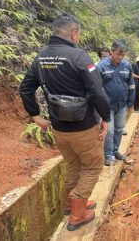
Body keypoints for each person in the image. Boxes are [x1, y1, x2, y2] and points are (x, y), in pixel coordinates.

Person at [19, 13, 111, 231]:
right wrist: (105, 118)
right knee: (92, 167)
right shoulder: (80, 57)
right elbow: (97, 92)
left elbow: (25, 89)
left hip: (59, 129)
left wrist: (36, 116)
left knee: (73, 166)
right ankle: (78, 216)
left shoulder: (41, 57)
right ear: (74, 33)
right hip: (84, 128)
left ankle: (72, 205)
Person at [96, 40, 135, 165]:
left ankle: (115, 151)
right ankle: (108, 155)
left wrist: (130, 102)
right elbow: (97, 88)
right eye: (118, 54)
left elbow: (131, 85)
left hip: (121, 105)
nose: (120, 57)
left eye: (123, 55)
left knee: (119, 129)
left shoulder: (127, 65)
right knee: (110, 131)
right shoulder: (101, 66)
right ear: (112, 51)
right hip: (107, 106)